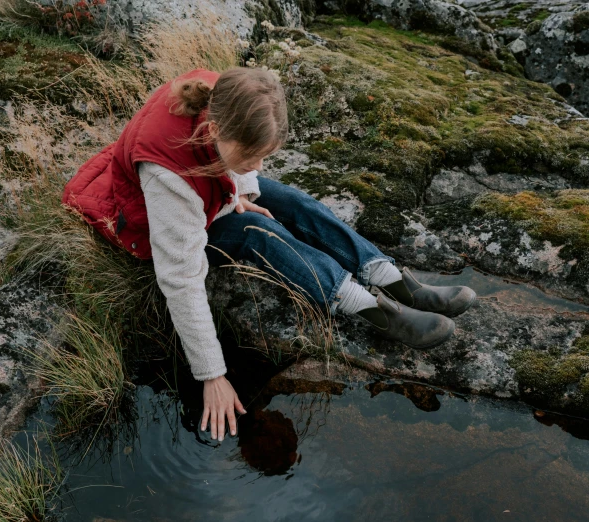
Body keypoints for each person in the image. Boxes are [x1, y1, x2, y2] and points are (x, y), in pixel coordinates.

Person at [61, 67, 477, 444]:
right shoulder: (168, 176)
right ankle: (373, 309)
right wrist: (213, 375)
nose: (259, 163)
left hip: (202, 180)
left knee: (293, 202)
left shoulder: (221, 95)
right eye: (251, 154)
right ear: (216, 130)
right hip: (147, 224)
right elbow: (180, 279)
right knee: (260, 232)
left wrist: (240, 187)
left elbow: (238, 168)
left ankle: (395, 280)